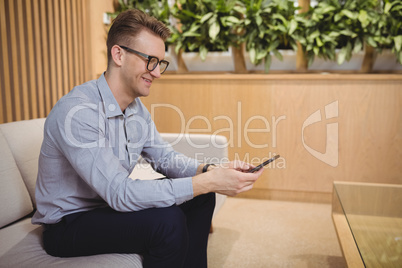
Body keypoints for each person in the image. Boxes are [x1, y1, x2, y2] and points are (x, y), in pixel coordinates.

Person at [32, 9, 264, 268]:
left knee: (201, 196)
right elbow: (119, 193)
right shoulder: (77, 112)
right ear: (118, 55)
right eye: (149, 60)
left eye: (160, 63)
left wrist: (209, 171)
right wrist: (205, 181)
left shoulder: (135, 110)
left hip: (105, 209)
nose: (157, 73)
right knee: (168, 222)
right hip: (69, 224)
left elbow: (165, 158)